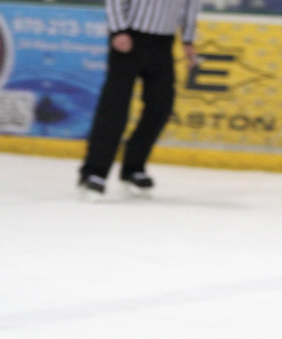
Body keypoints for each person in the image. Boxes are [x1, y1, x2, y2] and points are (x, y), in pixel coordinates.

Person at [77, 0, 200, 198]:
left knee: (161, 105)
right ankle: (94, 172)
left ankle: (133, 167)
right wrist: (119, 30)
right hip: (130, 36)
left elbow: (191, 4)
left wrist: (188, 40)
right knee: (115, 108)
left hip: (163, 42)